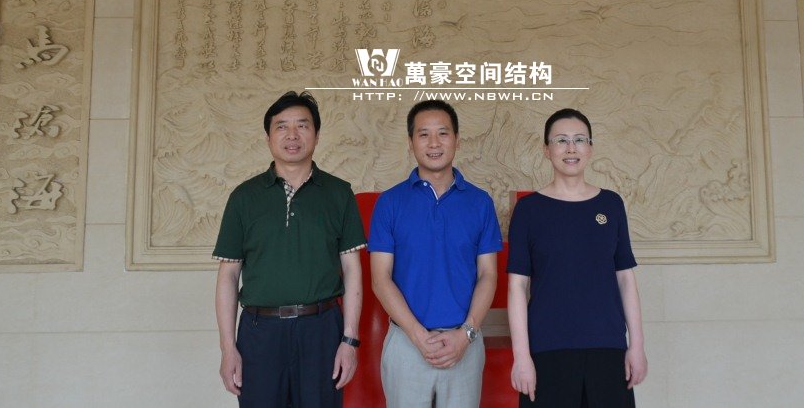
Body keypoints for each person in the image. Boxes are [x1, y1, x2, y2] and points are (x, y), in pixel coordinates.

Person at [213, 91, 366, 408]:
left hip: (321, 331)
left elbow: (352, 269)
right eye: (282, 126)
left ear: (317, 135)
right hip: (260, 333)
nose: (292, 135)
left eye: (302, 125)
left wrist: (349, 341)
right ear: (268, 137)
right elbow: (228, 275)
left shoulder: (339, 194)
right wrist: (228, 348)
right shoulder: (244, 197)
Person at [508, 108, 647, 407]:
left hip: (608, 346)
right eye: (561, 140)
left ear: (590, 148)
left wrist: (636, 345)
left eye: (579, 140)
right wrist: (521, 357)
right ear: (547, 150)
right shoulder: (529, 210)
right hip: (547, 350)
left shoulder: (611, 204)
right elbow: (517, 286)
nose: (571, 148)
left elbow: (625, 278)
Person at [368, 99, 503, 408]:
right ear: (410, 142)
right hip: (406, 342)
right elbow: (380, 279)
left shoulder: (480, 203)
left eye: (443, 133)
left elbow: (488, 275)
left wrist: (466, 334)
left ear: (457, 139)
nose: (434, 143)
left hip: (464, 341)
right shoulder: (390, 203)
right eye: (423, 134)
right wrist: (418, 336)